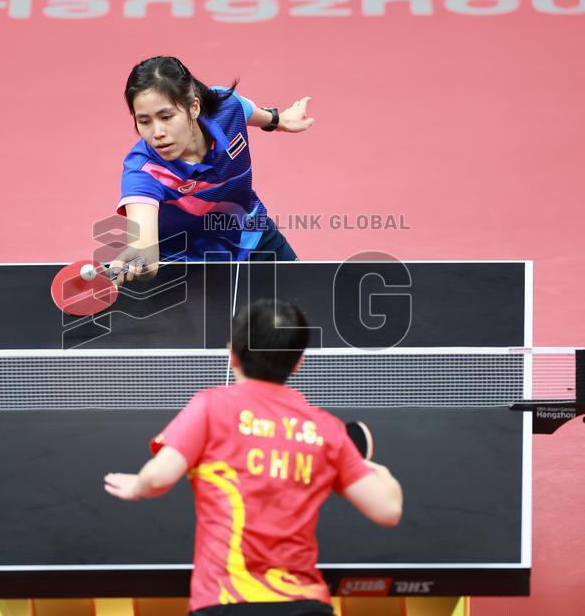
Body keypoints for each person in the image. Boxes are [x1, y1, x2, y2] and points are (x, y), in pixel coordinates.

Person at [104, 300, 404, 616]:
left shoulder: (210, 407)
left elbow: (158, 479)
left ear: (232, 354)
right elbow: (387, 511)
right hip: (303, 606)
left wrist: (137, 485)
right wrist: (379, 472)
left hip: (224, 603)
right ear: (298, 362)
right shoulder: (327, 430)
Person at [110, 56, 313, 285]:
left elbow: (254, 113)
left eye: (166, 117)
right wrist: (138, 257)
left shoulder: (227, 107)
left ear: (194, 107)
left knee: (305, 301)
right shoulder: (142, 170)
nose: (157, 133)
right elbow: (144, 248)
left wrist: (280, 120)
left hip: (254, 238)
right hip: (190, 267)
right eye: (145, 122)